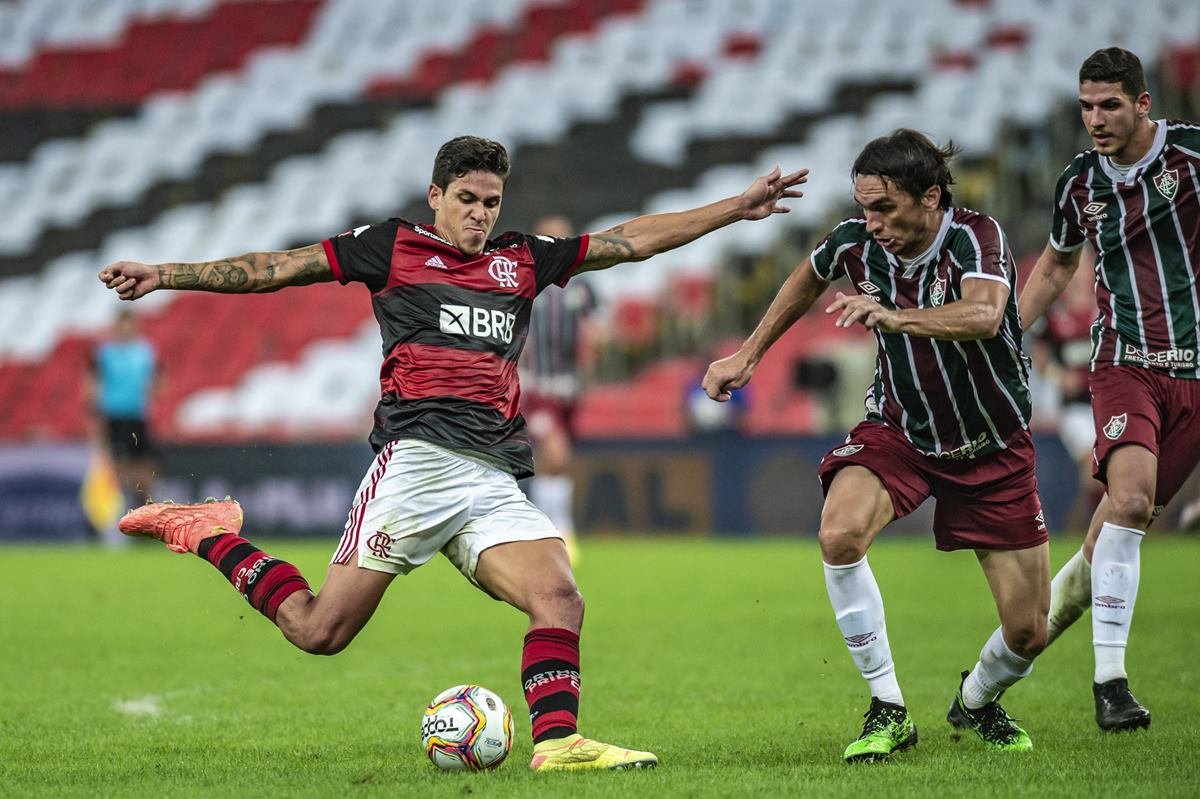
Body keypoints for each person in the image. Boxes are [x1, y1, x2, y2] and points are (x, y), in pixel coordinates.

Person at [99, 135, 806, 772]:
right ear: (436, 196)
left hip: (492, 472)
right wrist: (167, 274)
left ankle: (558, 743)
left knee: (559, 596)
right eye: (466, 199)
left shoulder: (521, 259)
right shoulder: (391, 246)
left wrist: (734, 209)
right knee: (318, 630)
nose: (479, 214)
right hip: (415, 464)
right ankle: (209, 534)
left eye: (490, 201)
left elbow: (631, 240)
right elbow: (279, 267)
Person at [703, 129, 1049, 762]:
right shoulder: (855, 241)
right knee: (839, 535)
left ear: (932, 197)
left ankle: (977, 699)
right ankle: (887, 707)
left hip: (992, 443)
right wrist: (748, 353)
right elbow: (806, 278)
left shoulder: (977, 236)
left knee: (1029, 631)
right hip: (901, 431)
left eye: (885, 208)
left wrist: (896, 317)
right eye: (865, 208)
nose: (873, 223)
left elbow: (985, 316)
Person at [1017, 47, 1200, 732]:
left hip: (1194, 369)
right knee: (1126, 499)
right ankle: (1111, 684)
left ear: (1144, 103)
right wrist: (1008, 331)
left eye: (1110, 105)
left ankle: (988, 676)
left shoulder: (1191, 157)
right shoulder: (1077, 183)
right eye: (1086, 106)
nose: (1094, 119)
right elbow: (1059, 262)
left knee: (1124, 523)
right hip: (1123, 361)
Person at [518, 215, 598, 565]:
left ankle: (541, 527)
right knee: (556, 451)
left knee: (554, 464)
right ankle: (561, 528)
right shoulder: (526, 282)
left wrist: (587, 371)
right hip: (538, 385)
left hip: (568, 387)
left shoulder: (581, 287)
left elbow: (592, 332)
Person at [89, 308, 158, 507]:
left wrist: (151, 395)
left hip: (138, 415)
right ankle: (123, 509)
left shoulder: (145, 351)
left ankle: (144, 507)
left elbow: (155, 380)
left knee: (144, 465)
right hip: (114, 416)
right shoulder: (106, 353)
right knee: (118, 466)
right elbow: (95, 383)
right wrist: (96, 414)